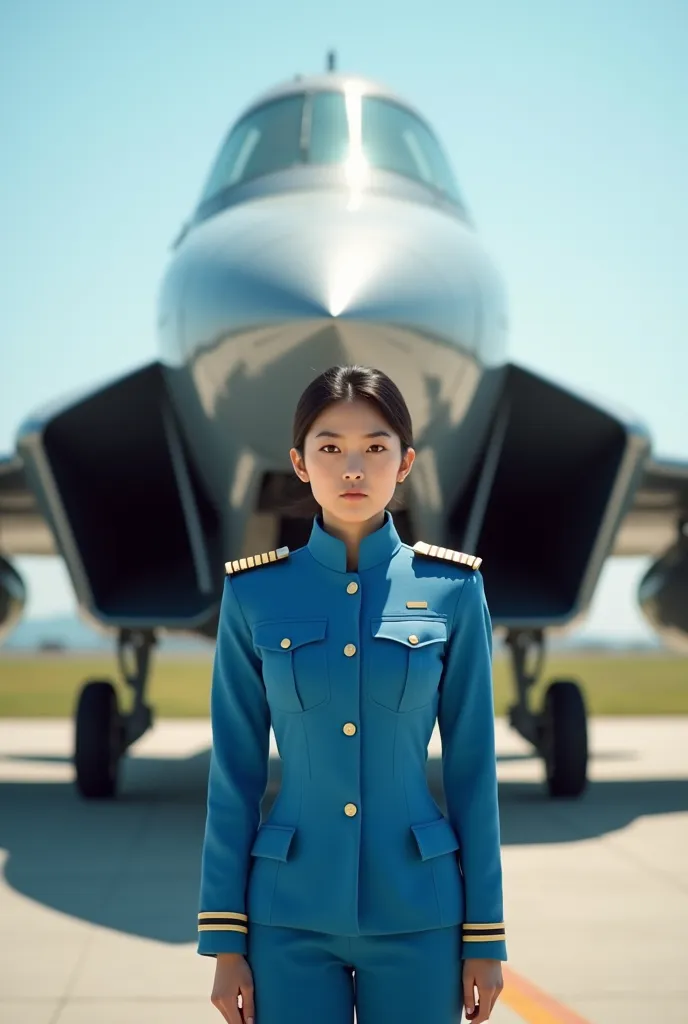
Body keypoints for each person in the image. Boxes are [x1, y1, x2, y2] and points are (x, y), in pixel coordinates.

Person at [197, 365, 506, 1024]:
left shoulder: (454, 590)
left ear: (406, 462)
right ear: (300, 464)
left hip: (421, 915)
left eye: (376, 446)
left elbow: (475, 771)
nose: (353, 466)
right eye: (330, 447)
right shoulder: (255, 594)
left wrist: (486, 936)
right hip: (287, 919)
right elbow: (235, 775)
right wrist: (226, 942)